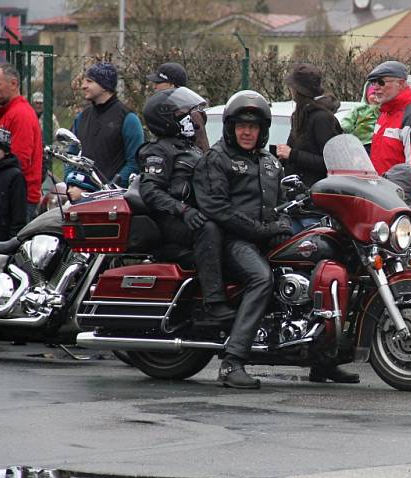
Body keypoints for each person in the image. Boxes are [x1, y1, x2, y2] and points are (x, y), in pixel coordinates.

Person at [193, 90, 358, 389]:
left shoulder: (269, 162)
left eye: (253, 126)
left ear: (262, 130)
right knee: (261, 278)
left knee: (322, 264)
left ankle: (323, 359)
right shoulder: (216, 159)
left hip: (265, 238)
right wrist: (262, 230)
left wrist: (282, 224)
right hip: (232, 241)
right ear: (231, 128)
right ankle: (232, 363)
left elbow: (283, 202)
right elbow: (216, 208)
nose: (247, 131)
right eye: (241, 125)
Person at [138, 87, 235, 324]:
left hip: (194, 213)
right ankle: (214, 303)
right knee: (209, 229)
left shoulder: (190, 147)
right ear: (166, 120)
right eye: (184, 114)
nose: (191, 118)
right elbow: (150, 190)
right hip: (173, 220)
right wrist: (182, 210)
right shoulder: (158, 151)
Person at [367, 61, 411, 228]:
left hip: (405, 212)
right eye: (372, 83)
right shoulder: (385, 113)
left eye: (381, 82)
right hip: (385, 205)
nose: (375, 87)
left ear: (400, 83)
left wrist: (409, 211)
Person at [72, 62, 143, 187]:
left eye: (89, 81)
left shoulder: (128, 119)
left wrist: (110, 188)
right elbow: (71, 155)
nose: (83, 86)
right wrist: (73, 183)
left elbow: (134, 162)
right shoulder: (81, 118)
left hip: (112, 198)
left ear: (104, 86)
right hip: (81, 194)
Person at [0, 63, 42, 221]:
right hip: (10, 195)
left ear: (13, 84)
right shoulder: (9, 112)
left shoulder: (19, 114)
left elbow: (18, 162)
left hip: (17, 199)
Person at [276, 63, 342, 188]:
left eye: (292, 87)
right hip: (296, 191)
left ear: (297, 90)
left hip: (316, 194)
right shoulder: (300, 115)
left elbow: (330, 163)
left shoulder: (322, 118)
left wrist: (292, 154)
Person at [147, 62, 209, 153]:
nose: (154, 86)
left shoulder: (190, 113)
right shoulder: (164, 111)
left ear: (172, 85)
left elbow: (202, 148)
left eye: (159, 82)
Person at [340, 83, 379, 153]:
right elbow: (348, 119)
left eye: (378, 95)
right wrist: (345, 127)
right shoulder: (360, 109)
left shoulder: (384, 109)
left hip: (377, 142)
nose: (376, 97)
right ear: (366, 95)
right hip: (360, 142)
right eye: (373, 94)